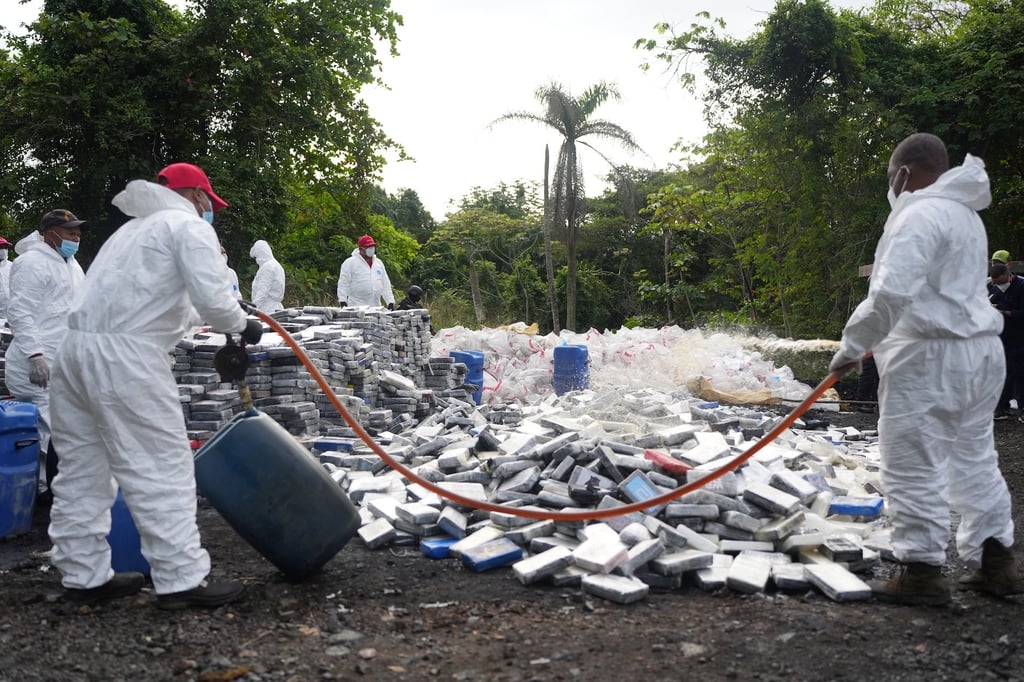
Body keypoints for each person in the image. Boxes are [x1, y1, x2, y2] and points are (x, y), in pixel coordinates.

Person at [47, 162, 263, 609]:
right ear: (198, 197)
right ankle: (181, 580)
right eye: (209, 203)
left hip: (73, 354)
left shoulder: (128, 233)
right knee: (161, 467)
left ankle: (82, 576)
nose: (210, 211)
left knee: (82, 473)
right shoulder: (188, 228)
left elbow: (158, 298)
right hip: (127, 359)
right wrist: (243, 323)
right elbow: (214, 302)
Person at [829, 133, 1024, 606]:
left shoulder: (916, 214)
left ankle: (920, 572)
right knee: (973, 457)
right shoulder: (967, 216)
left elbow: (892, 294)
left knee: (912, 458)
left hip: (931, 356)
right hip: (981, 353)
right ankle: (996, 562)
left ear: (902, 174)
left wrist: (853, 346)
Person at [6, 211, 87, 499]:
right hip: (35, 366)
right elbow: (20, 312)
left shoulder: (72, 265)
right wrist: (34, 354)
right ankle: (41, 491)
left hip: (63, 362)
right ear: (51, 233)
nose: (76, 238)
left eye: (77, 233)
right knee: (50, 430)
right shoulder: (32, 263)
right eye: (70, 233)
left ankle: (43, 488)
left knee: (56, 429)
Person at [987, 263, 1024, 421]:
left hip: (1019, 336)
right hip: (1001, 336)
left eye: (1001, 283)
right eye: (996, 284)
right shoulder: (991, 287)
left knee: (1020, 372)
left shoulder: (1021, 287)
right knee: (1002, 372)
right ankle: (1001, 407)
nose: (999, 286)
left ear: (1009, 276)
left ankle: (1022, 407)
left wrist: (1004, 312)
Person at [336, 235, 395, 309]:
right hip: (356, 306)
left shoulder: (378, 263)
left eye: (372, 247)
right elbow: (343, 283)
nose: (371, 249)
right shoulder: (350, 263)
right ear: (361, 249)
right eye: (368, 247)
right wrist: (342, 300)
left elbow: (385, 283)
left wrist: (390, 301)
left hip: (376, 307)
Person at [249, 239, 285, 312]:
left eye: (256, 256)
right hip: (276, 309)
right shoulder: (277, 265)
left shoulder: (267, 267)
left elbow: (262, 292)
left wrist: (253, 310)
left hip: (266, 309)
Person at [0, 236, 13, 318]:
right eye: (1, 247)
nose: (4, 250)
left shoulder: (13, 266)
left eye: (5, 247)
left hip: (12, 316)